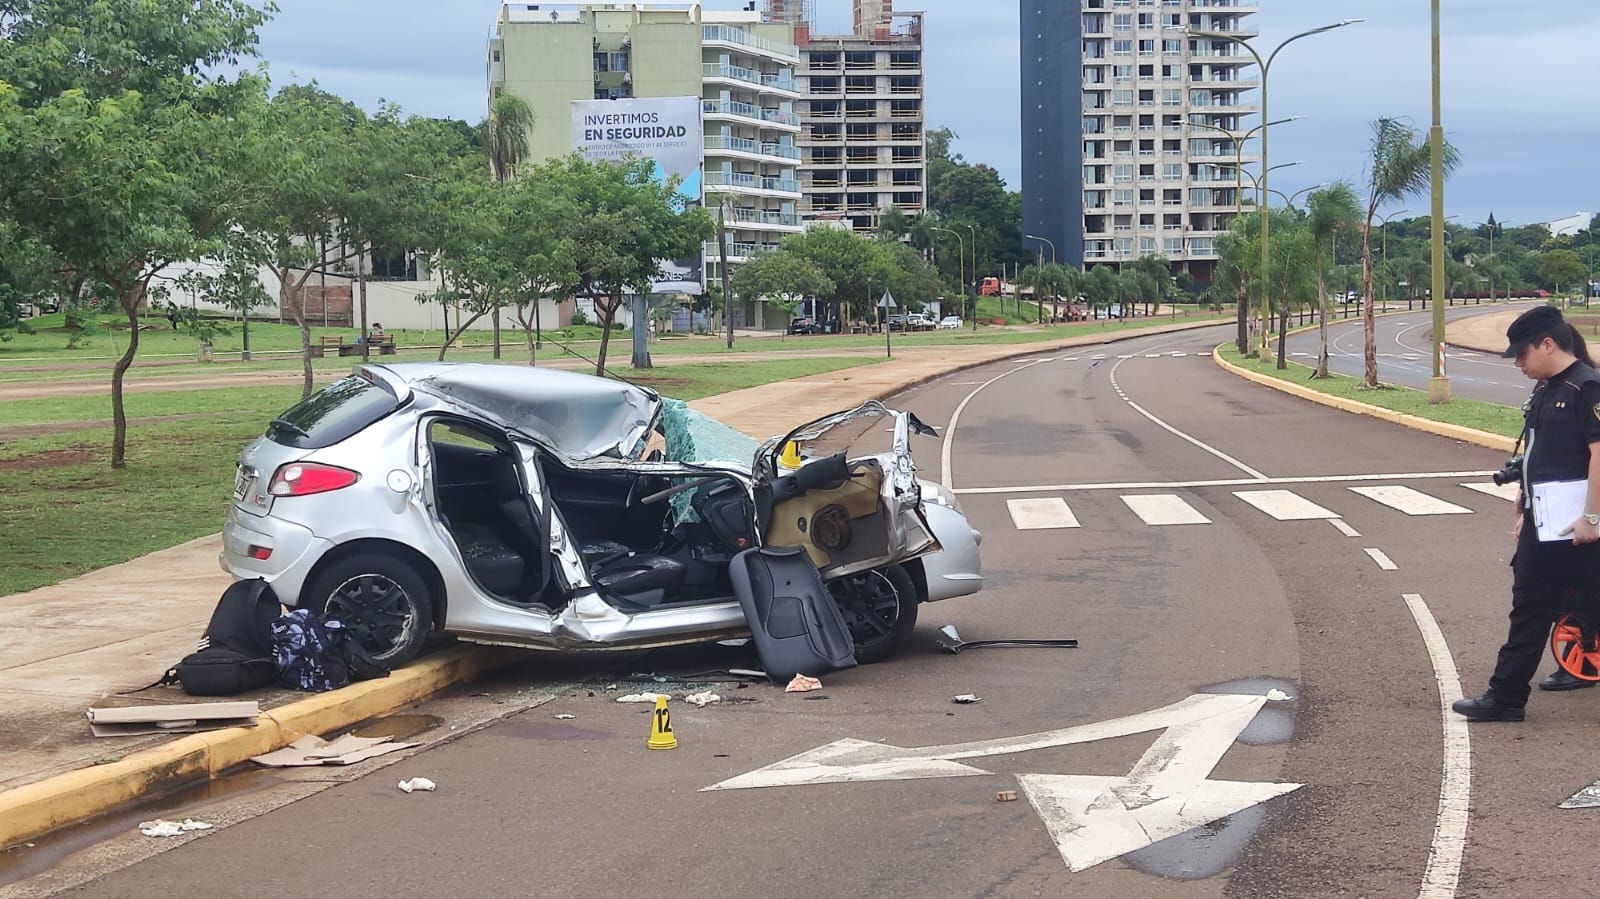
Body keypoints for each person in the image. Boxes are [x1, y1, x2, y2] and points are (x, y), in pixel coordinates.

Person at [1453, 305, 1600, 721]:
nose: (1518, 362)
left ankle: (1506, 696)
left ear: (1548, 344)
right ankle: (1507, 696)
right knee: (1534, 606)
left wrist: (1592, 518)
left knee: (1548, 605)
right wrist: (1523, 505)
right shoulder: (1546, 389)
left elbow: (1599, 456)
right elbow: (1538, 456)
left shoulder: (1586, 388)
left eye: (1523, 353)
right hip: (1547, 524)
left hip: (1578, 527)